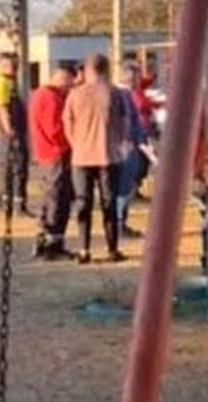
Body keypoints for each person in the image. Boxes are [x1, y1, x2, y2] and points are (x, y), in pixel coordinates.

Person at [63, 52, 129, 264]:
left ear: (88, 70)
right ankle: (112, 248)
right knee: (109, 203)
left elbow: (67, 122)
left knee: (83, 204)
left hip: (81, 157)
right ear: (106, 69)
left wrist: (77, 143)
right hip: (108, 156)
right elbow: (124, 122)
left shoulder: (75, 94)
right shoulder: (115, 93)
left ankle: (84, 249)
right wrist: (119, 143)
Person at [27, 62, 75, 260]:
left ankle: (46, 238)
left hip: (46, 153)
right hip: (55, 153)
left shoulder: (41, 95)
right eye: (70, 82)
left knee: (51, 197)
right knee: (57, 197)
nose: (70, 87)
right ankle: (52, 243)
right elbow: (55, 129)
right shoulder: (50, 98)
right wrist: (73, 140)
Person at [0, 52, 30, 215]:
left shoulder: (12, 83)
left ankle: (18, 201)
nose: (12, 69)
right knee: (12, 165)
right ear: (0, 66)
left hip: (17, 131)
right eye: (8, 65)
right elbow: (2, 108)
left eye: (14, 65)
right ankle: (9, 201)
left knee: (20, 166)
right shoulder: (1, 83)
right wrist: (9, 131)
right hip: (8, 134)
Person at [114, 61, 150, 239]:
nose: (138, 79)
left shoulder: (131, 93)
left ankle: (121, 222)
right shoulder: (120, 94)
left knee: (129, 185)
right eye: (135, 75)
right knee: (122, 188)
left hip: (136, 144)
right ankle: (118, 224)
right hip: (124, 147)